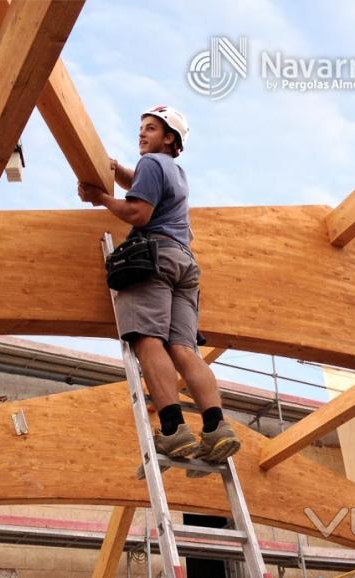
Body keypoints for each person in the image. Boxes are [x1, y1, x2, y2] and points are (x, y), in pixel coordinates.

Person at [77, 105, 240, 463]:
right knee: (183, 349)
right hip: (185, 264)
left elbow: (138, 212)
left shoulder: (153, 164)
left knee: (148, 340)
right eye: (141, 128)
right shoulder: (176, 172)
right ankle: (216, 427)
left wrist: (101, 199)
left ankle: (173, 430)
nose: (142, 133)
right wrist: (118, 171)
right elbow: (141, 184)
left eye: (150, 128)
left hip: (156, 259)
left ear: (169, 138)